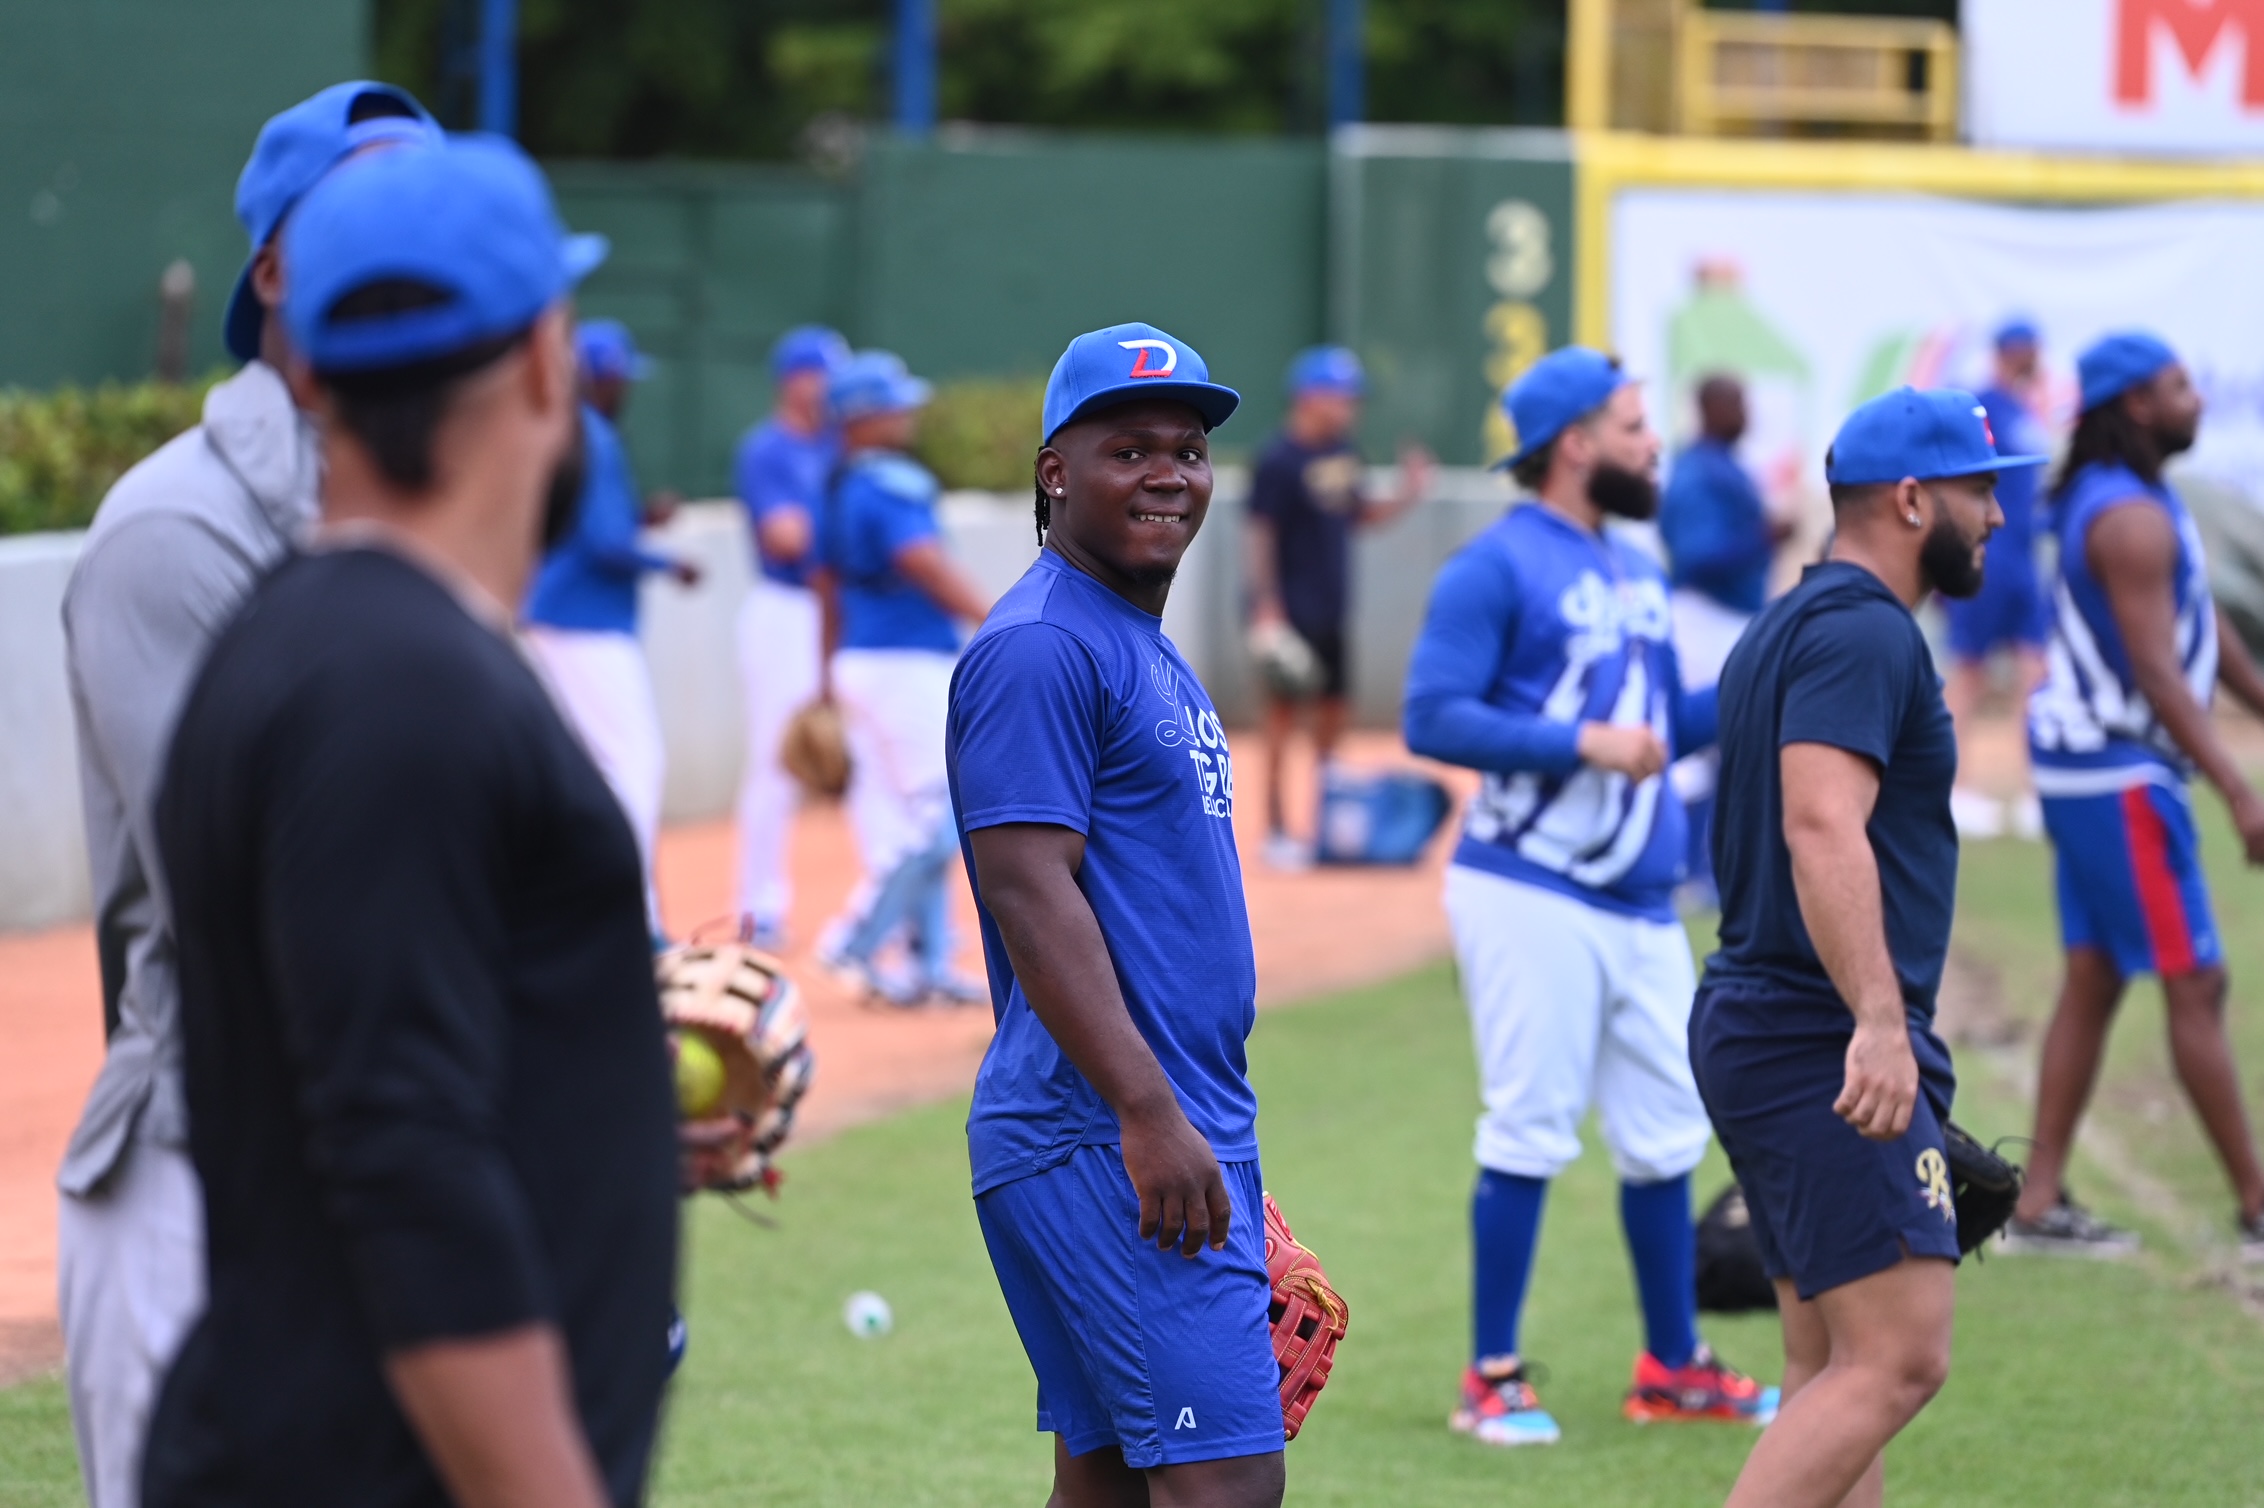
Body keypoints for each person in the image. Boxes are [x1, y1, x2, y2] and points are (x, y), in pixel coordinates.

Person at [146, 136, 677, 1508]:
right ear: (552, 362)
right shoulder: (400, 682)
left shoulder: (329, 645)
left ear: (309, 370)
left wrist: (606, 1098)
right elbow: (399, 1150)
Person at [52, 80, 436, 1508]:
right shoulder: (174, 531)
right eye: (366, 209)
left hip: (384, 1175)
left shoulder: (437, 516)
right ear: (272, 268)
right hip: (201, 1180)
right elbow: (274, 898)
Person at [1404, 346, 1771, 1449]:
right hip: (1528, 886)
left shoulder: (1635, 569)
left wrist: (1776, 663)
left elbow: (1658, 730)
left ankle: (1671, 1362)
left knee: (1665, 1134)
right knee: (1528, 1123)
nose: (1650, 442)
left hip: (1636, 895)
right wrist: (1579, 741)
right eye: (1628, 424)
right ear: (1571, 444)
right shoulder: (1493, 565)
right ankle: (1491, 1375)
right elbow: (1431, 716)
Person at [948, 322, 1283, 1507]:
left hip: (1150, 1127)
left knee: (1104, 1485)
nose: (1167, 474)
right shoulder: (1042, 644)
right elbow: (1026, 890)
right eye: (1128, 447)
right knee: (1226, 1483)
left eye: (1187, 451)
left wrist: (1207, 1138)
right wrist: (1149, 1113)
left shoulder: (1129, 641)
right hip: (1099, 1129)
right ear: (1054, 470)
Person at [1693, 387, 2035, 1508]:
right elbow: (1817, 819)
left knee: (1828, 1363)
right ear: (1907, 497)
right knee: (1897, 1357)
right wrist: (1880, 1023)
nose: (1991, 514)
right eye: (1977, 488)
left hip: (1764, 1015)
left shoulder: (1788, 621)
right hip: (1816, 1029)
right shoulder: (1863, 628)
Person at [2014, 332, 2264, 1259]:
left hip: (2094, 768)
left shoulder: (2139, 499)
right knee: (2195, 978)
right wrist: (2239, 788)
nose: (2197, 399)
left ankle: (2037, 1203)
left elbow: (2202, 633)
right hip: (2116, 771)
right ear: (2133, 408)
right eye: (2177, 386)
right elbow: (2158, 671)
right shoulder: (2128, 517)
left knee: (2096, 974)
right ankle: (2257, 1206)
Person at [813, 350, 991, 1005]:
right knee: (944, 816)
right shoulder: (888, 483)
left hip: (865, 659)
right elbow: (924, 563)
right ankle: (855, 936)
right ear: (861, 417)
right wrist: (999, 621)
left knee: (903, 821)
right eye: (893, 405)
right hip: (906, 662)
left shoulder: (839, 483)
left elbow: (825, 587)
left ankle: (928, 962)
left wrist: (826, 673)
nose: (906, 414)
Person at [522, 318, 701, 936]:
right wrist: (668, 561)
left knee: (586, 768)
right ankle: (636, 919)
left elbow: (590, 527)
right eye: (620, 375)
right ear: (602, 377)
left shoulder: (568, 428)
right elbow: (602, 543)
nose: (625, 387)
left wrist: (641, 521)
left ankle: (585, 909)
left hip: (557, 616)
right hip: (583, 624)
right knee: (634, 764)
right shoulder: (592, 433)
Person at [1246, 345, 1432, 869]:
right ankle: (1277, 829)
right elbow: (1260, 532)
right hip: (1288, 610)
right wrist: (1265, 607)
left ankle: (1326, 822)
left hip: (1332, 608)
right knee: (1281, 722)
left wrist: (1408, 492)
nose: (1350, 407)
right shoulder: (1279, 459)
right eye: (1341, 397)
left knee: (1333, 717)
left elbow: (1360, 515)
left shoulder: (1344, 453)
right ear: (1309, 398)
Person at [732, 325, 848, 948]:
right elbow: (787, 537)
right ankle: (759, 907)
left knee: (866, 756)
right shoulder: (768, 449)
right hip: (785, 610)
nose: (830, 388)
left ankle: (896, 908)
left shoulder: (837, 443)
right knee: (776, 762)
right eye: (823, 374)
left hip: (837, 608)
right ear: (795, 379)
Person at [1658, 373, 1788, 903]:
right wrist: (1761, 538)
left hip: (1729, 616)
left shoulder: (1724, 465)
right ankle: (1687, 868)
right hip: (1702, 615)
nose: (1745, 413)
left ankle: (1710, 870)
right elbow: (1695, 557)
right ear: (1709, 408)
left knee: (1730, 744)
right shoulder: (1696, 472)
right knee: (1699, 745)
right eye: (1736, 402)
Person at [1945, 319, 2057, 840]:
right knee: (1970, 672)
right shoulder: (1981, 404)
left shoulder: (2026, 408)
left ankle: (2035, 791)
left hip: (2024, 561)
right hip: (1987, 555)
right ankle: (1955, 787)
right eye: (2030, 349)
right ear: (2013, 351)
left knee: (2035, 673)